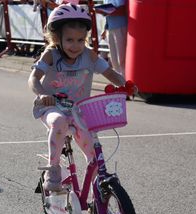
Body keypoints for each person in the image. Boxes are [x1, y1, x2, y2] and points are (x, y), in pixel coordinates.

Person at [28, 3, 126, 192]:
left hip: (79, 110)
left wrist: (124, 84)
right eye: (70, 40)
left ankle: (102, 199)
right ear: (57, 38)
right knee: (58, 122)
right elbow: (33, 79)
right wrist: (43, 93)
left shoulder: (88, 55)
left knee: (94, 156)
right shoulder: (51, 55)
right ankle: (53, 169)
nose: (76, 45)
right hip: (51, 106)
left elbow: (110, 73)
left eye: (81, 40)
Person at [98, 0, 127, 76]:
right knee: (114, 61)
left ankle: (126, 83)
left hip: (121, 26)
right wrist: (105, 28)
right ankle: (120, 84)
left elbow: (125, 9)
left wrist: (104, 11)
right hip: (111, 28)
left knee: (122, 59)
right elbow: (108, 9)